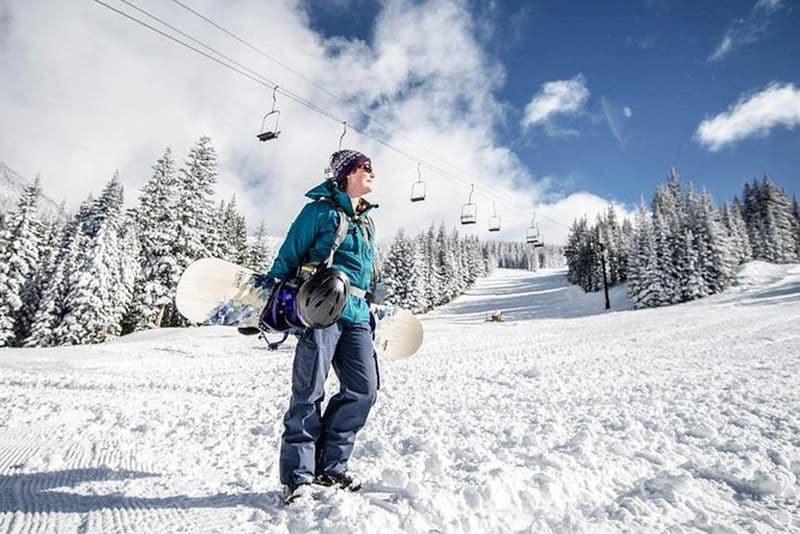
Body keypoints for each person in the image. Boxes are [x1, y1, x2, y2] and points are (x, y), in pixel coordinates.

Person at [265, 149, 379, 504]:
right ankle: (298, 476)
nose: (372, 173)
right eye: (365, 167)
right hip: (321, 310)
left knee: (364, 390)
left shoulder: (368, 220)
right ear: (346, 173)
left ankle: (331, 467)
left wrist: (370, 308)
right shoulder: (319, 211)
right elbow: (289, 254)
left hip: (357, 313)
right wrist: (274, 301)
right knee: (309, 390)